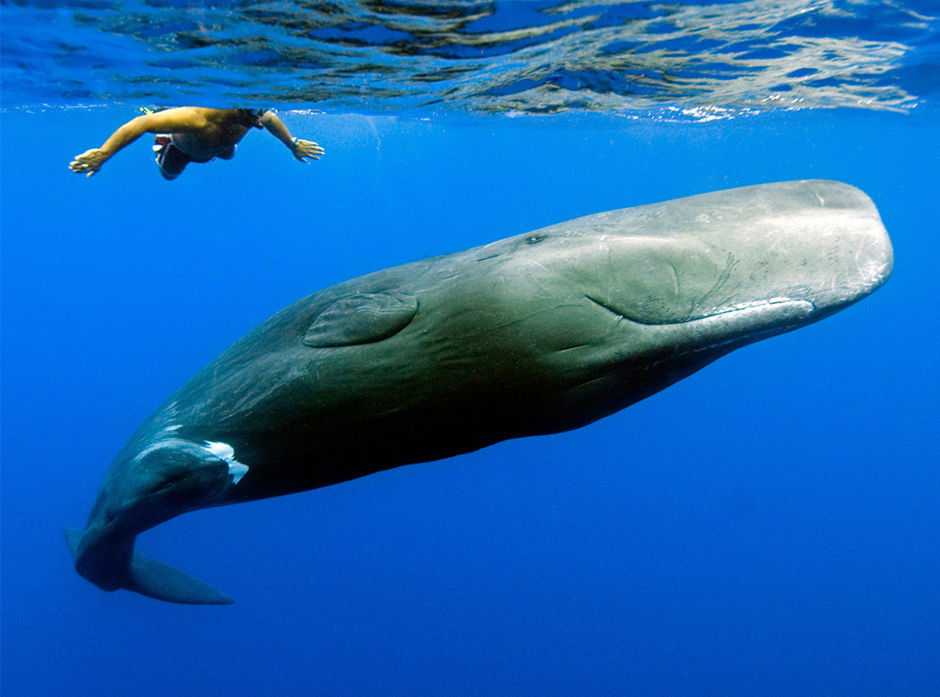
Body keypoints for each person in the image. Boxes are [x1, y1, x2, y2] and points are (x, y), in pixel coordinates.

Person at [69, 107, 324, 180]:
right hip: (182, 148)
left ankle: (218, 151)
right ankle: (164, 137)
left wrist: (292, 145)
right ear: (236, 108)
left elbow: (269, 120)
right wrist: (104, 153)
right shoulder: (197, 117)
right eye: (253, 118)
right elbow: (140, 124)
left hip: (215, 149)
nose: (257, 123)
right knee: (169, 175)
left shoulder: (254, 114)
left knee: (228, 154)